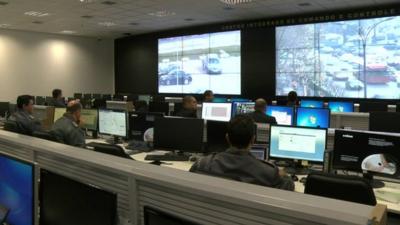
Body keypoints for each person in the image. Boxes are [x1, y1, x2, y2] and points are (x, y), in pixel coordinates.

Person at [190, 115, 294, 191]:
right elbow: (289, 187)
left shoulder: (202, 163)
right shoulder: (269, 173)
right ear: (253, 140)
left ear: (227, 138)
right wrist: (283, 175)